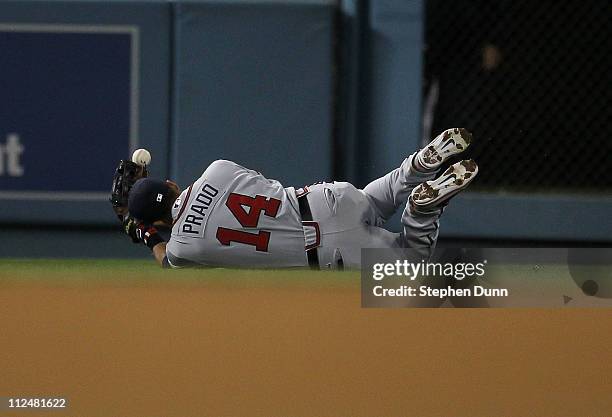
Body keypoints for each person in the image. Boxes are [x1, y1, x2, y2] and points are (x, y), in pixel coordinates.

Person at [124, 128, 478, 269]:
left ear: (157, 222)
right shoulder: (218, 170)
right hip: (326, 199)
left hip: (326, 251)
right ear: (170, 183)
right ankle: (417, 165)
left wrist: (145, 232)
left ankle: (420, 209)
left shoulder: (183, 248)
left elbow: (164, 260)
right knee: (373, 202)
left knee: (412, 260)